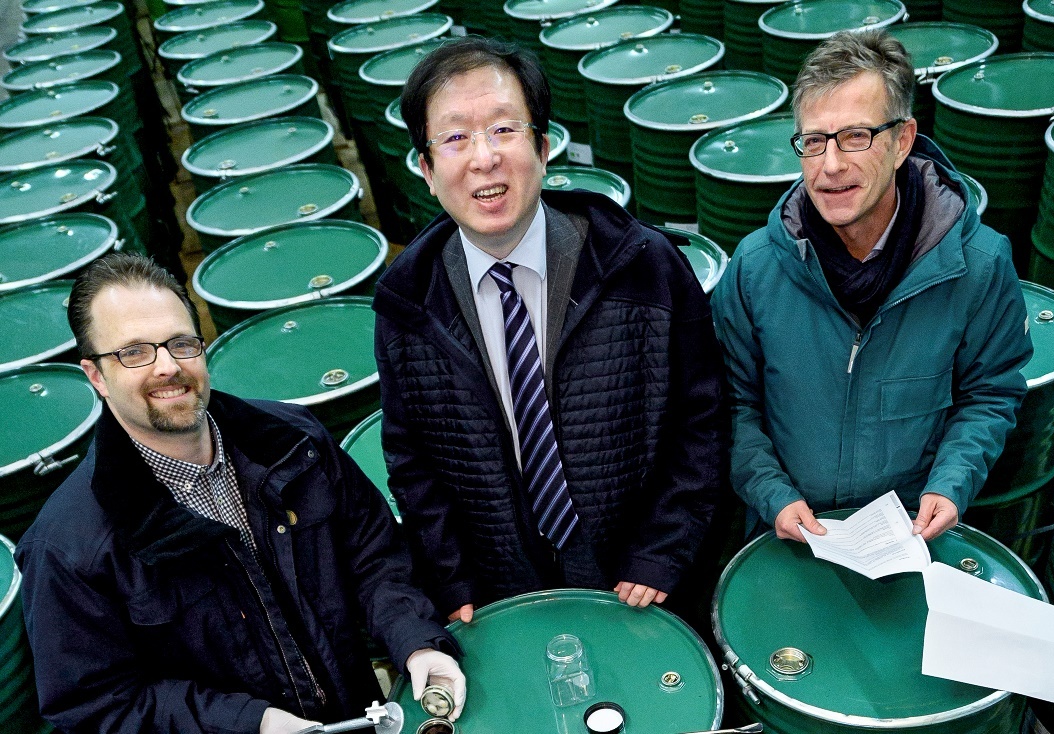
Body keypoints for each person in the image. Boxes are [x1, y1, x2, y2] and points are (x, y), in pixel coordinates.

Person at [15, 254, 466, 734]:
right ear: (96, 376)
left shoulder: (295, 442)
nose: (167, 367)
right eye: (134, 352)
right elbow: (98, 707)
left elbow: (375, 559)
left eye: (181, 343)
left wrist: (416, 641)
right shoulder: (66, 547)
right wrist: (252, 724)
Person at [375, 36, 724, 623]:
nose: (484, 157)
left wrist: (662, 554)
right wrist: (453, 582)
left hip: (641, 587)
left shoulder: (645, 266)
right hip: (505, 594)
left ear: (542, 147)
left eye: (504, 130)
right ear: (427, 170)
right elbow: (412, 461)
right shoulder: (406, 305)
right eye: (456, 137)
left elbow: (703, 419)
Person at [712, 30, 1031, 544]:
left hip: (908, 533)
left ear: (903, 140)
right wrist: (772, 493)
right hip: (789, 532)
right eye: (813, 141)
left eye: (856, 136)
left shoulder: (977, 265)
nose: (831, 165)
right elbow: (731, 403)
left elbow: (989, 393)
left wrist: (951, 485)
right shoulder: (754, 269)